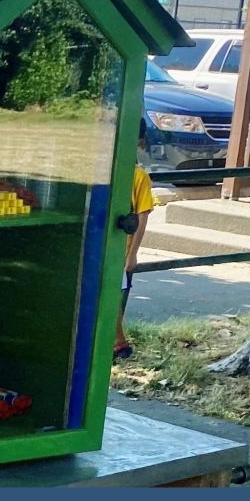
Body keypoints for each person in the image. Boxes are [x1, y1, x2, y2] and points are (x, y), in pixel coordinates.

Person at [114, 120, 155, 360]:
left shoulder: (139, 177)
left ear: (139, 142)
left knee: (113, 296)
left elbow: (142, 216)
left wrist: (133, 254)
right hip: (107, 246)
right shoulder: (111, 170)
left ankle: (118, 342)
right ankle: (118, 342)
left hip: (121, 248)